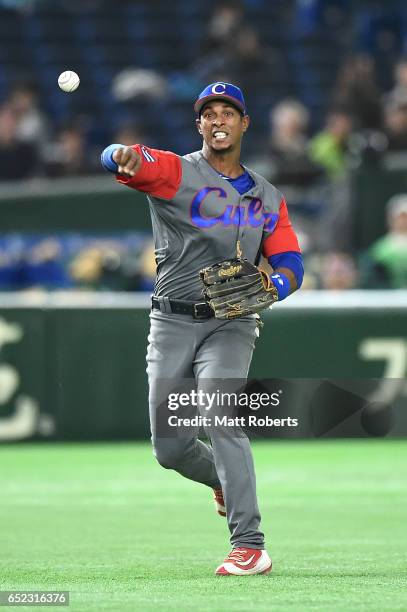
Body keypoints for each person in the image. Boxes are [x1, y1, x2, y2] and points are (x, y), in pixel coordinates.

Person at [101, 82, 304, 576]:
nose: (218, 120)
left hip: (232, 322)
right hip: (171, 318)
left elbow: (292, 263)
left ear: (243, 123)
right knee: (169, 448)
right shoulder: (176, 172)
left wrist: (274, 283)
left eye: (228, 112)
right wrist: (119, 154)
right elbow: (125, 158)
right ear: (200, 125)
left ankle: (250, 544)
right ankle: (222, 479)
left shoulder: (267, 196)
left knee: (219, 410)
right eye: (209, 113)